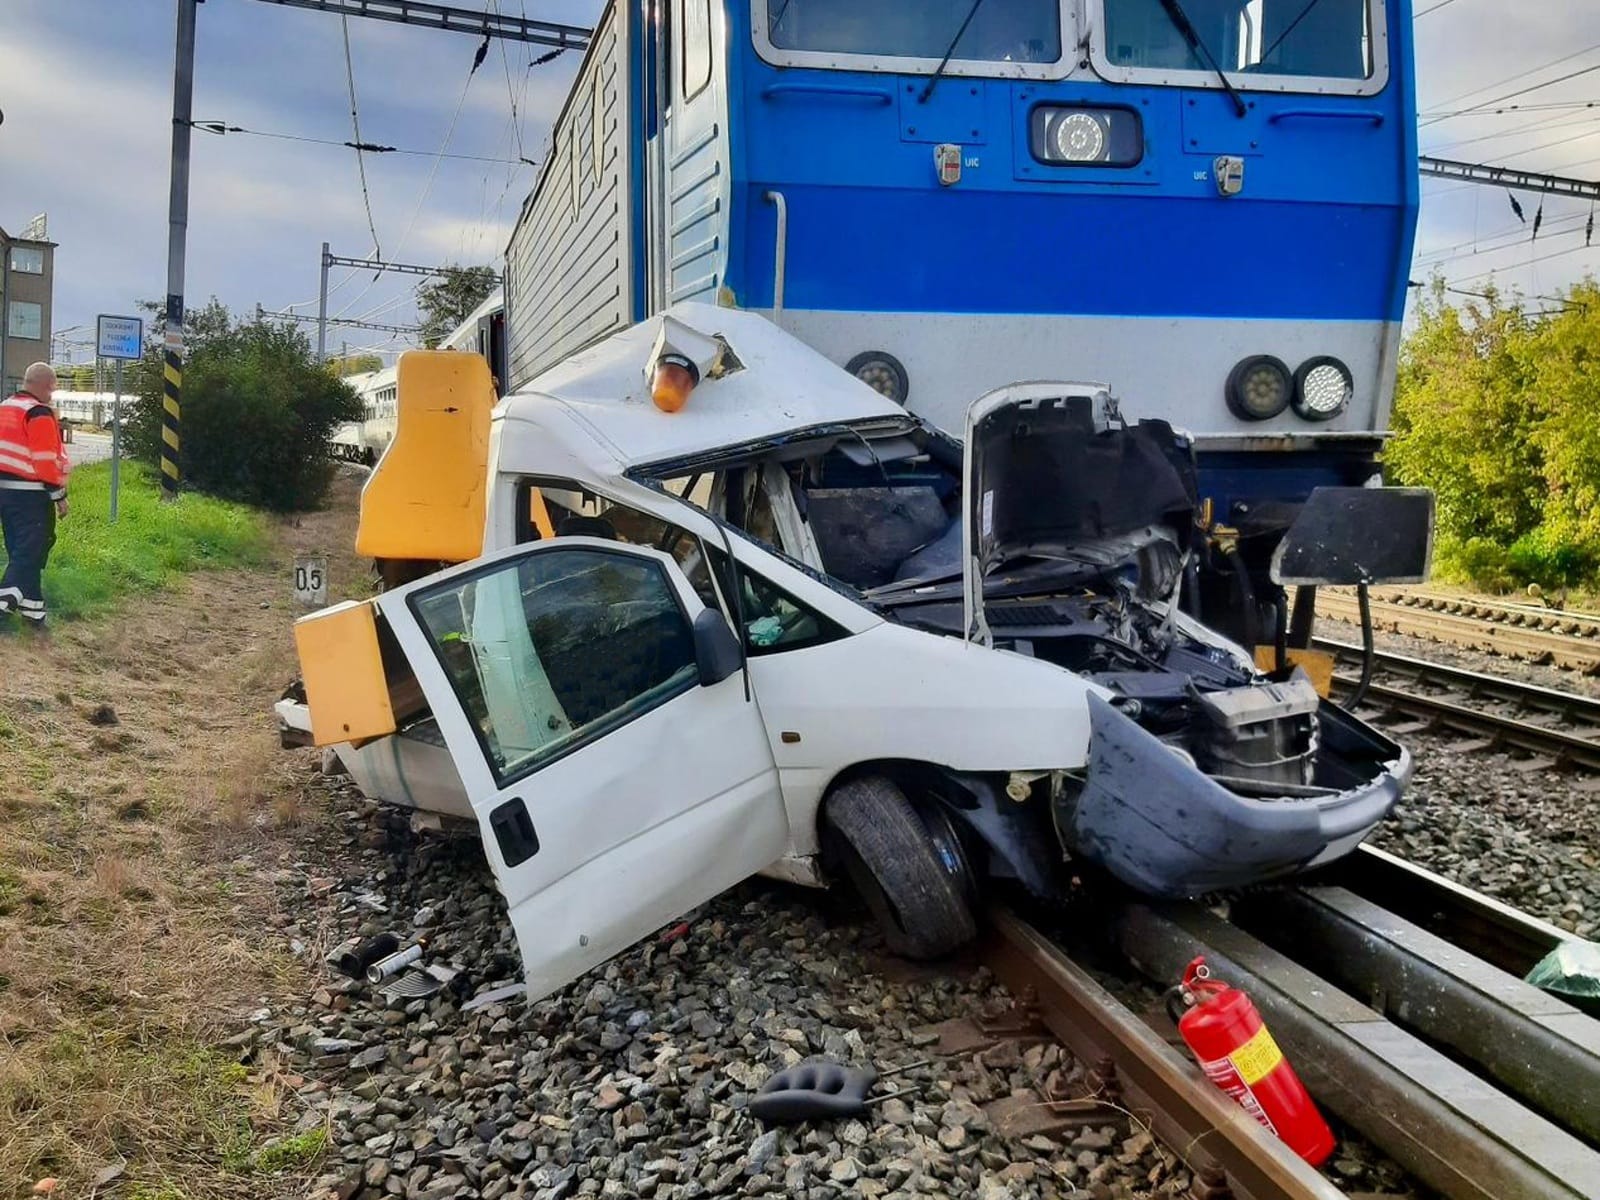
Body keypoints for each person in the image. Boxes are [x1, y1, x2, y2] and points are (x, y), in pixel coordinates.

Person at [0, 362, 69, 626]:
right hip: (30, 495)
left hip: (5, 494)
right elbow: (45, 460)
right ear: (41, 385)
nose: (52, 393)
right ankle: (3, 603)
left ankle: (34, 612)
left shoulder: (6, 406)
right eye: (51, 387)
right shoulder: (37, 412)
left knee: (20, 550)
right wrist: (59, 495)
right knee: (32, 551)